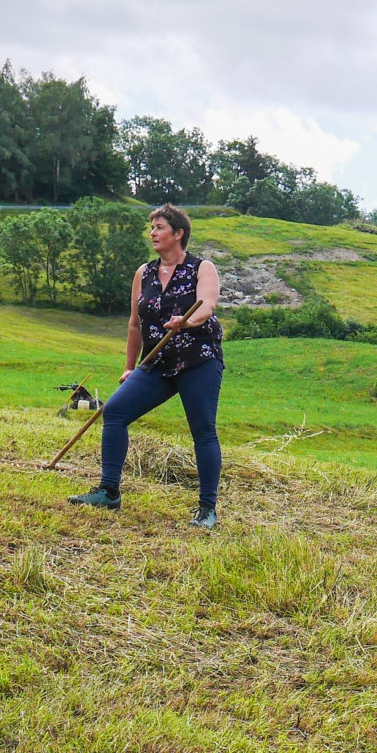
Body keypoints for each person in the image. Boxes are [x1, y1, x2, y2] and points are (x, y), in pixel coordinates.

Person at [68, 203, 226, 527]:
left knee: (203, 430)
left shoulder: (201, 268)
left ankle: (207, 509)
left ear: (178, 233)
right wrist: (129, 366)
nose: (153, 233)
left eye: (160, 227)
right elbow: (135, 324)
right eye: (152, 228)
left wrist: (186, 321)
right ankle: (109, 493)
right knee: (114, 411)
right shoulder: (144, 273)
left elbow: (207, 305)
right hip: (157, 361)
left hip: (197, 359)